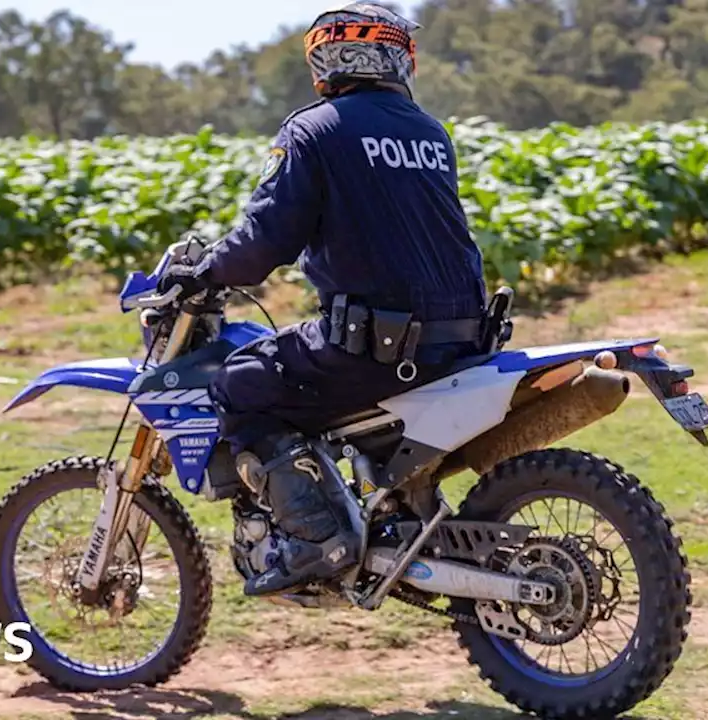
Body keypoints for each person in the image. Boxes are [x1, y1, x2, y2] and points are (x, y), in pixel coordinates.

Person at [158, 2, 488, 597]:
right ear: (393, 57)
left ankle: (317, 540)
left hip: (379, 348)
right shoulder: (430, 132)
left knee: (243, 382)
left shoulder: (314, 129)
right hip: (466, 338)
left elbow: (265, 240)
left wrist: (205, 272)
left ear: (327, 58)